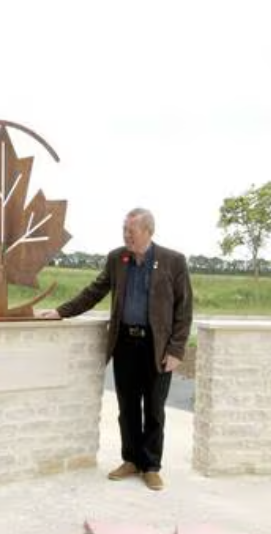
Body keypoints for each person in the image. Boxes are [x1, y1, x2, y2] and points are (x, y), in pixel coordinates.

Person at [40, 208, 193, 491]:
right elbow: (94, 291)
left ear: (148, 231)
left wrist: (176, 349)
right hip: (125, 344)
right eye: (124, 230)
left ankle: (151, 466)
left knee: (154, 409)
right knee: (128, 407)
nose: (126, 236)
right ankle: (131, 460)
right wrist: (61, 311)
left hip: (157, 347)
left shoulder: (173, 261)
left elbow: (184, 310)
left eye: (131, 231)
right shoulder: (117, 259)